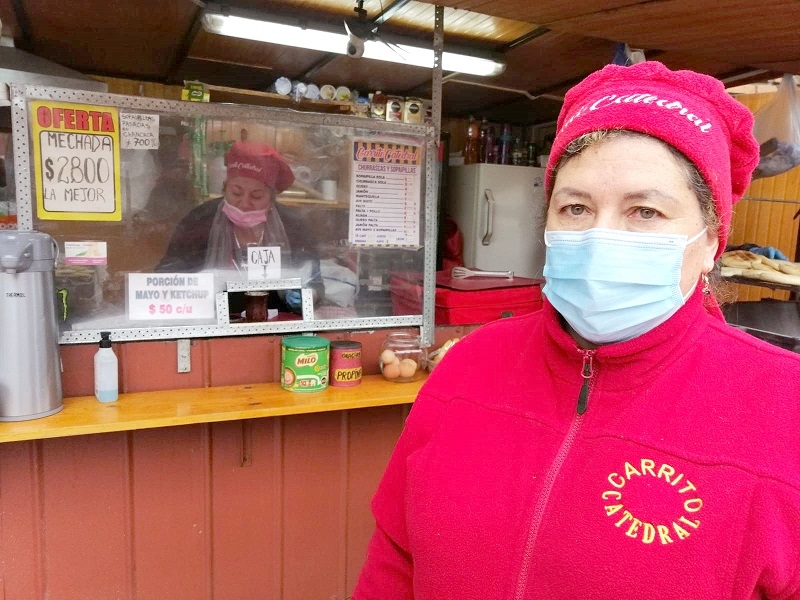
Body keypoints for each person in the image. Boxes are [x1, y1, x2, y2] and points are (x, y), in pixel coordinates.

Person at [354, 61, 800, 599]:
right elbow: (395, 560)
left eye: (645, 212)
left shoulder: (783, 406)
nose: (598, 235)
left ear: (709, 242)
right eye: (575, 207)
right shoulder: (469, 366)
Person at [156, 141, 323, 313]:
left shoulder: (293, 225)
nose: (244, 203)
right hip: (210, 320)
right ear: (224, 188)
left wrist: (308, 295)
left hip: (275, 321)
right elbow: (168, 272)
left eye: (256, 196)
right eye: (236, 192)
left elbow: (314, 280)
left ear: (272, 197)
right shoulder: (200, 220)